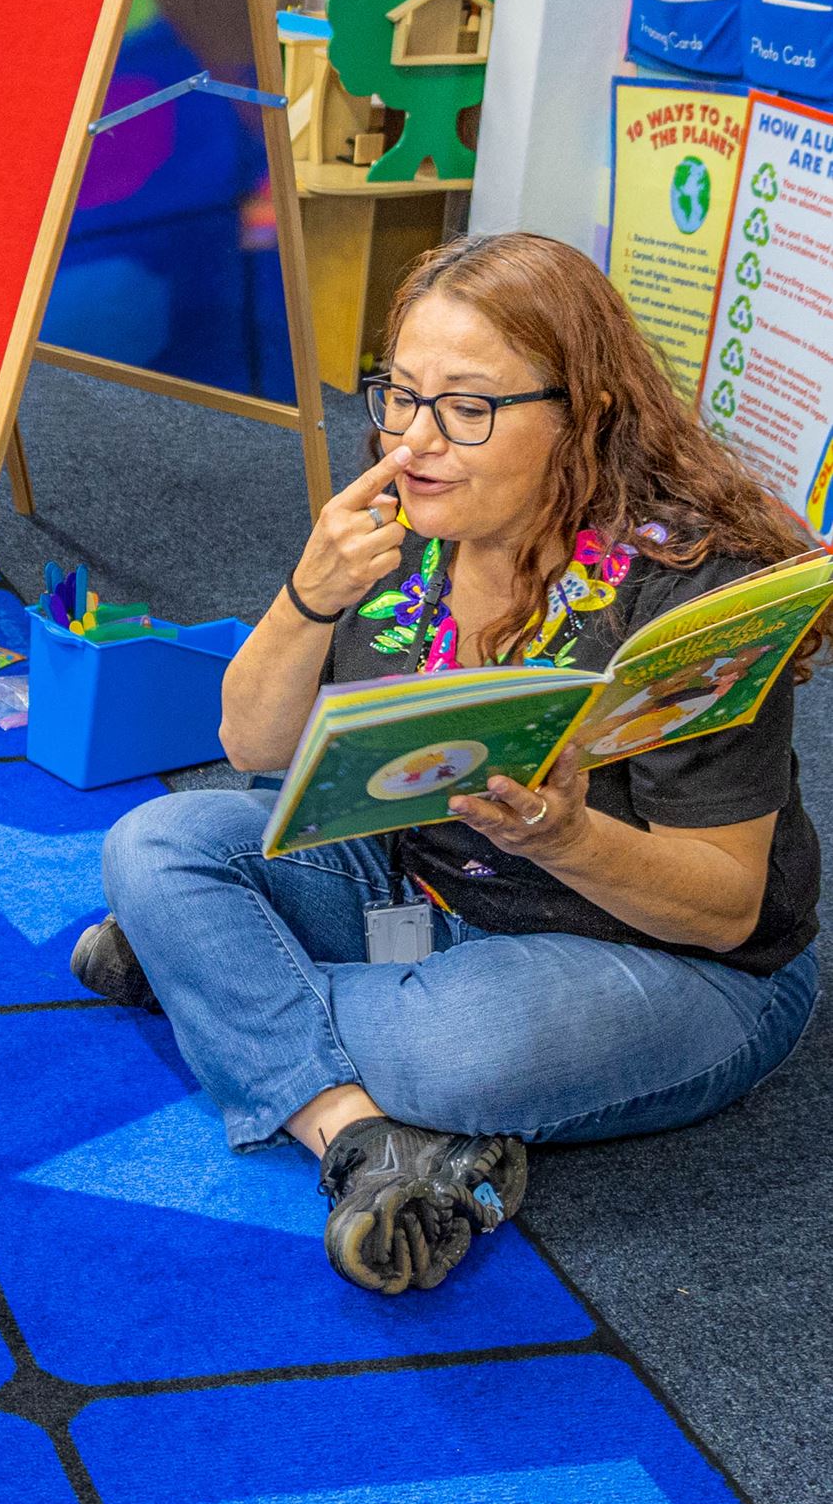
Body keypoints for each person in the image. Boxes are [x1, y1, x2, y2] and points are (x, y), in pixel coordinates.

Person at [77, 232, 823, 1294]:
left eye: (466, 406)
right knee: (155, 842)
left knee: (458, 1053)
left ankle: (220, 985)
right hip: (430, 885)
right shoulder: (408, 522)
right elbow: (251, 747)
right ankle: (358, 1135)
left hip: (669, 962)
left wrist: (566, 833)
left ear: (585, 413)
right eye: (399, 394)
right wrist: (309, 592)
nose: (415, 439)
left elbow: (721, 909)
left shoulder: (690, 591)